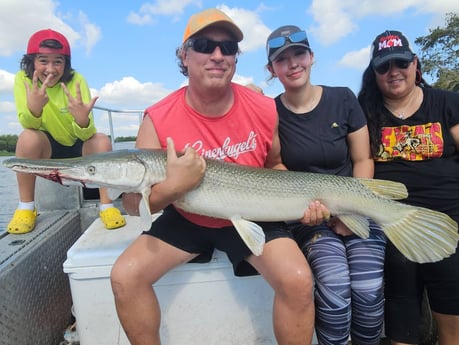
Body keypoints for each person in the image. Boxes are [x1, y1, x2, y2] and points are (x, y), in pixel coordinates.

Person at [110, 9, 315, 345]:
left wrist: (303, 202)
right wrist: (174, 187)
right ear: (185, 55)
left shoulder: (264, 108)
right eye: (206, 45)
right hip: (188, 217)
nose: (218, 55)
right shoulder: (158, 118)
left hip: (251, 213)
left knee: (297, 280)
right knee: (124, 277)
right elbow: (133, 205)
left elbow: (275, 165)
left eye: (229, 47)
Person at [265, 25, 386, 345]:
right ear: (271, 69)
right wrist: (304, 209)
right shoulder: (270, 112)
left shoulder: (343, 98)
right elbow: (276, 164)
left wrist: (349, 212)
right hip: (310, 217)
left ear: (311, 57)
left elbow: (363, 160)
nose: (293, 63)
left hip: (356, 208)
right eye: (282, 59)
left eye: (299, 54)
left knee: (368, 288)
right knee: (334, 285)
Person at [358, 30, 459, 345]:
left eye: (401, 62)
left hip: (449, 216)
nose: (394, 72)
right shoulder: (363, 111)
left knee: (451, 295)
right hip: (392, 221)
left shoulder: (447, 102)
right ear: (374, 73)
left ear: (415, 64)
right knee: (401, 302)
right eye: (384, 66)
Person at [7, 29, 126, 234]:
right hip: (48, 147)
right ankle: (26, 208)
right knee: (27, 138)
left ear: (66, 63)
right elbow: (29, 124)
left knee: (101, 140)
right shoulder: (22, 80)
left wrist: (82, 119)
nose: (51, 69)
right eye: (43, 61)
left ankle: (107, 207)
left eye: (58, 61)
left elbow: (86, 135)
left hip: (77, 144)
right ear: (31, 62)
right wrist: (35, 108)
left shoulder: (76, 80)